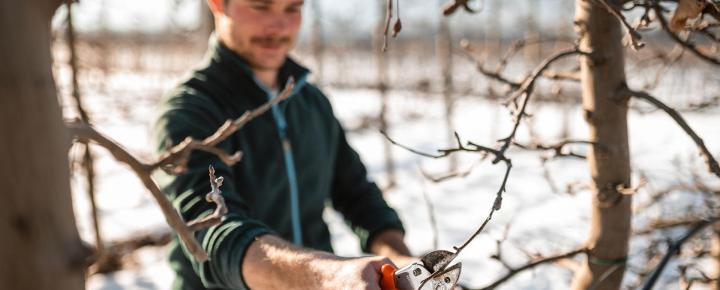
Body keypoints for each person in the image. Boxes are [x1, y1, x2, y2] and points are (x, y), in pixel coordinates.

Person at [153, 0, 414, 289]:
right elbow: (212, 233)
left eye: (292, 8)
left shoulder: (311, 102)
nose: (279, 26)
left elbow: (356, 193)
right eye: (261, 6)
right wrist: (323, 276)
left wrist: (400, 259)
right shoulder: (189, 111)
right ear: (217, 4)